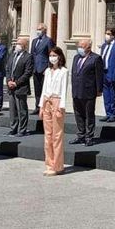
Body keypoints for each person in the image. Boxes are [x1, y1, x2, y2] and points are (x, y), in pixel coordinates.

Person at [69, 38, 104, 147]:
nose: (79, 48)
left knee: (89, 115)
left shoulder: (96, 58)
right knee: (78, 114)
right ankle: (81, 135)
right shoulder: (76, 57)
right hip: (76, 91)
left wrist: (99, 90)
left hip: (89, 91)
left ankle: (89, 137)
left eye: (82, 46)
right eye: (78, 46)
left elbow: (99, 75)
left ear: (88, 47)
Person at [40, 46, 69, 176]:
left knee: (57, 135)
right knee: (48, 135)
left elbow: (64, 90)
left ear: (59, 57)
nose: (52, 58)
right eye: (50, 56)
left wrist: (61, 107)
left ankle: (58, 165)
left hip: (57, 102)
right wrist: (41, 106)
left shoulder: (64, 71)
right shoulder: (47, 71)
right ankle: (49, 164)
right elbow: (44, 89)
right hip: (47, 101)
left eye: (54, 55)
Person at [6, 36, 34, 137]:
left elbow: (28, 72)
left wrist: (16, 83)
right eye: (17, 43)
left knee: (21, 110)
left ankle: (22, 130)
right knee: (12, 110)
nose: (17, 46)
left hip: (20, 87)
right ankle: (13, 128)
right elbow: (8, 69)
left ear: (24, 46)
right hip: (11, 87)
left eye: (19, 44)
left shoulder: (28, 57)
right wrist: (8, 81)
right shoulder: (12, 55)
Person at [30, 23, 54, 115]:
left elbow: (51, 55)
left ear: (44, 30)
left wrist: (48, 68)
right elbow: (32, 54)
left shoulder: (48, 40)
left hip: (44, 69)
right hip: (35, 69)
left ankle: (45, 108)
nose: (38, 31)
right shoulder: (34, 41)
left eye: (40, 29)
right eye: (37, 29)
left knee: (45, 90)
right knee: (37, 89)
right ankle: (37, 107)